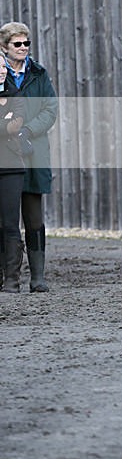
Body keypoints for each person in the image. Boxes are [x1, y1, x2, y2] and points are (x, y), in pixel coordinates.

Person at [0, 22, 58, 293]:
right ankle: (9, 276)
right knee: (7, 220)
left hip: (33, 150)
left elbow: (50, 109)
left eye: (27, 44)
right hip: (6, 152)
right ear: (5, 47)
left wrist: (27, 130)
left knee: (34, 216)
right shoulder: (1, 75)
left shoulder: (39, 73)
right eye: (17, 44)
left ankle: (37, 276)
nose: (23, 48)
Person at [0, 56, 26, 292]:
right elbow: (7, 126)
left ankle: (12, 279)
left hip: (10, 167)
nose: (0, 71)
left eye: (2, 66)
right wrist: (4, 123)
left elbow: (16, 124)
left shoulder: (16, 95)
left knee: (10, 223)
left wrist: (9, 123)